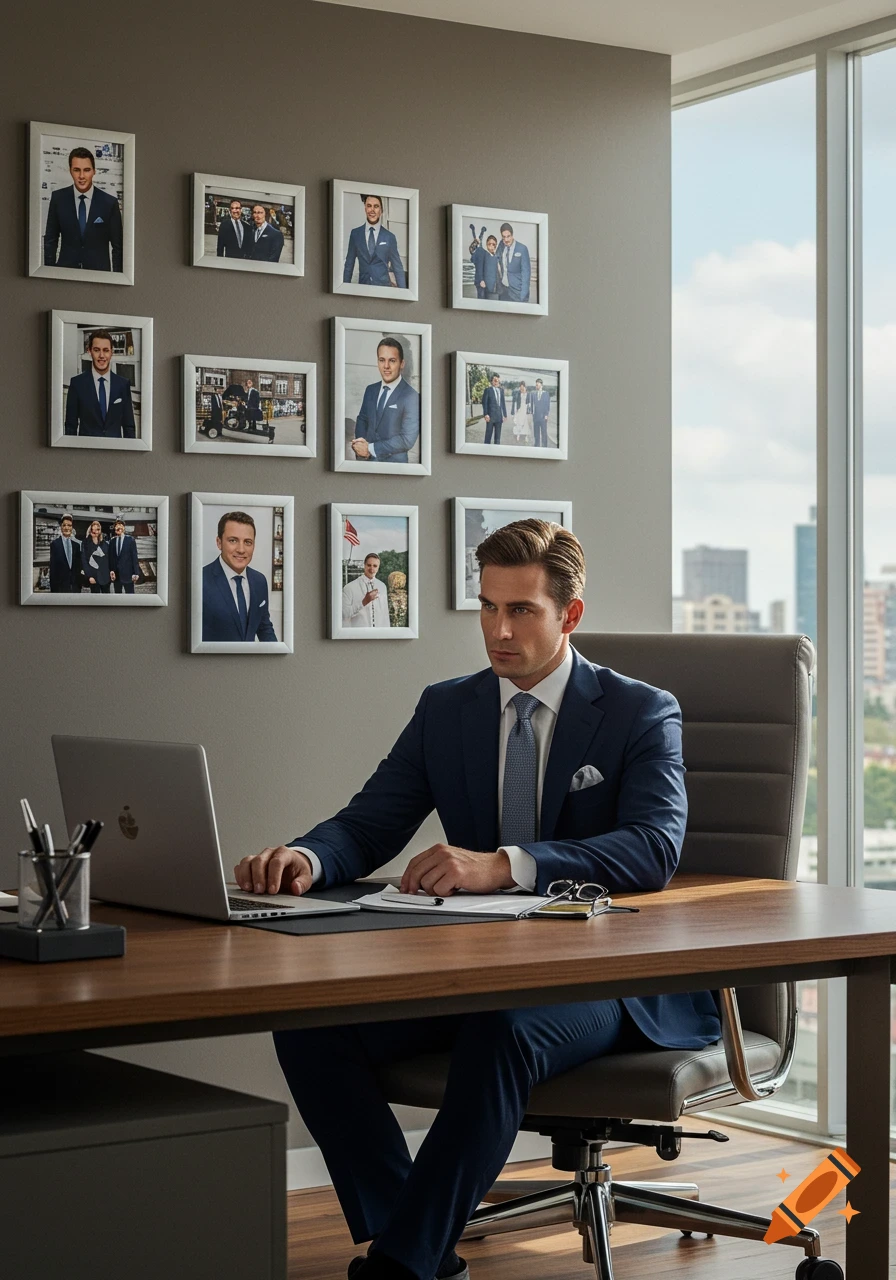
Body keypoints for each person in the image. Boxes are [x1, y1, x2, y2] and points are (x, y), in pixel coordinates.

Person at [234, 520, 720, 1280]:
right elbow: (369, 823)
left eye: (521, 610)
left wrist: (508, 865)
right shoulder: (448, 709)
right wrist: (305, 855)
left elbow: (653, 849)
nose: (498, 629)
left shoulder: (640, 711)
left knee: (505, 1031)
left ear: (570, 615)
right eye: (487, 606)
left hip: (613, 983)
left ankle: (405, 1263)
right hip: (486, 968)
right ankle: (412, 1244)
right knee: (311, 1023)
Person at [43, 146, 124, 272]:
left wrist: (117, 279)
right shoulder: (58, 199)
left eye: (86, 170)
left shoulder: (109, 203)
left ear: (94, 171)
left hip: (99, 277)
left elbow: (118, 248)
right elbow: (50, 240)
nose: (81, 176)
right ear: (70, 170)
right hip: (65, 275)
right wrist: (49, 274)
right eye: (76, 170)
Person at [202, 511, 277, 642]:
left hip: (249, 662)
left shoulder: (260, 581)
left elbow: (264, 627)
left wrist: (278, 659)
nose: (241, 549)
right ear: (219, 543)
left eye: (248, 542)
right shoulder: (200, 580)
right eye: (233, 540)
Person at [351, 338, 420, 464]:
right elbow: (362, 419)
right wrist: (360, 447)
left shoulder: (412, 396)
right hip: (365, 463)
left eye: (392, 361)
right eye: (382, 360)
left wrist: (370, 449)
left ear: (402, 363)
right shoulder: (370, 390)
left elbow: (407, 439)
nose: (386, 366)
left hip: (394, 468)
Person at [64, 330, 136, 439]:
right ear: (89, 351)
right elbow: (70, 426)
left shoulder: (123, 384)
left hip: (115, 453)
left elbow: (129, 427)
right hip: (86, 452)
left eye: (106, 350)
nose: (101, 355)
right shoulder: (77, 384)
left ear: (112, 352)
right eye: (97, 350)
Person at [343, 194, 406, 289]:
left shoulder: (389, 237)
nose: (372, 210)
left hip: (383, 290)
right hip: (363, 288)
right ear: (365, 208)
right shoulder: (355, 234)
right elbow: (349, 264)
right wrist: (344, 290)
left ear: (381, 210)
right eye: (369, 206)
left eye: (376, 206)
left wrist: (403, 293)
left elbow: (398, 268)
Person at [341, 553, 391, 629]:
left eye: (375, 566)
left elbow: (385, 615)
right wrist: (363, 602)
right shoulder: (349, 587)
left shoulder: (382, 586)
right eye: (369, 565)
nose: (371, 569)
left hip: (378, 636)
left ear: (378, 567)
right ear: (364, 565)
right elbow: (344, 614)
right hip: (357, 636)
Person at [497, 223, 531, 303]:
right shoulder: (501, 247)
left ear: (512, 235)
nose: (506, 239)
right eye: (504, 237)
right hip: (503, 291)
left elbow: (526, 274)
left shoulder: (522, 249)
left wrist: (523, 296)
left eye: (508, 236)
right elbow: (494, 258)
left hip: (517, 293)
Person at [48, 513, 82, 593]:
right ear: (61, 527)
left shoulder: (76, 545)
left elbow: (78, 568)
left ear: (72, 528)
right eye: (64, 525)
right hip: (60, 588)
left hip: (75, 588)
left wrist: (79, 585)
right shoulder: (55, 544)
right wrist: (53, 590)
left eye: (69, 525)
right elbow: (53, 569)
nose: (67, 528)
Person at [108, 519, 140, 594]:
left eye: (121, 526)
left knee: (130, 596)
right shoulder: (112, 541)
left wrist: (136, 573)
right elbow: (111, 558)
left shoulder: (130, 540)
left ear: (124, 528)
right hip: (117, 575)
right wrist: (111, 570)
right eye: (117, 526)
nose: (119, 528)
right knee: (118, 597)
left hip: (128, 575)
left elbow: (134, 557)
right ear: (114, 529)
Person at [81, 519, 111, 593]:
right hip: (93, 577)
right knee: (95, 599)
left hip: (105, 577)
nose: (95, 532)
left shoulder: (105, 544)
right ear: (90, 530)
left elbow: (108, 560)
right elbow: (84, 561)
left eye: (98, 529)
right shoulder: (85, 544)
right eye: (93, 530)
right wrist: (89, 576)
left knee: (107, 599)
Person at [480, 372, 506, 446]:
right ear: (492, 381)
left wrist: (504, 415)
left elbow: (503, 403)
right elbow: (484, 403)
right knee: (488, 437)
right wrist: (486, 414)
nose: (496, 382)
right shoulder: (488, 390)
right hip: (490, 417)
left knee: (497, 439)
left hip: (499, 417)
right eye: (495, 380)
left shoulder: (501, 390)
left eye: (498, 380)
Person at [531, 378, 551, 448]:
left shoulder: (546, 394)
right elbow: (532, 405)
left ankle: (544, 446)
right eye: (536, 385)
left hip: (543, 417)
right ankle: (537, 445)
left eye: (538, 385)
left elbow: (547, 405)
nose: (536, 386)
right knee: (536, 433)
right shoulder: (534, 394)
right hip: (536, 417)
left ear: (541, 385)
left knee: (544, 433)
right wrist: (532, 415)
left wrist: (546, 415)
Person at [510, 379, 530, 444]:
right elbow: (515, 401)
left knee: (525, 422)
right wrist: (515, 409)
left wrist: (529, 409)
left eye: (522, 388)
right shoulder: (518, 393)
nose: (521, 389)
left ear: (525, 387)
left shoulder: (528, 393)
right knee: (519, 422)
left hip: (525, 409)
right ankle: (518, 434)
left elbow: (529, 402)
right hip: (520, 409)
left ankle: (526, 435)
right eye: (520, 388)